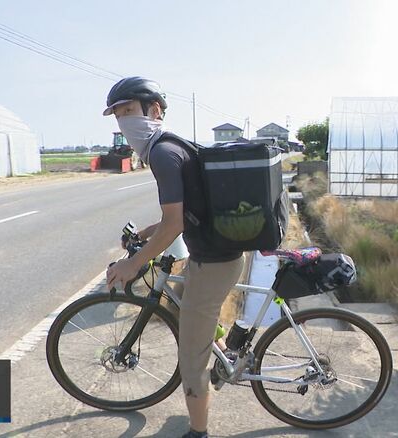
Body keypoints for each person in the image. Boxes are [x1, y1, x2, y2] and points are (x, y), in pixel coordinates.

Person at [104, 77, 244, 438]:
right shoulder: (169, 147)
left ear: (154, 111)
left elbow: (175, 224)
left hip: (215, 261)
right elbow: (180, 215)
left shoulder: (163, 154)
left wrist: (132, 263)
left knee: (191, 359)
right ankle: (227, 349)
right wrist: (147, 235)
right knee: (184, 304)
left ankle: (199, 431)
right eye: (118, 115)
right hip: (214, 254)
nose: (125, 121)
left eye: (130, 110)